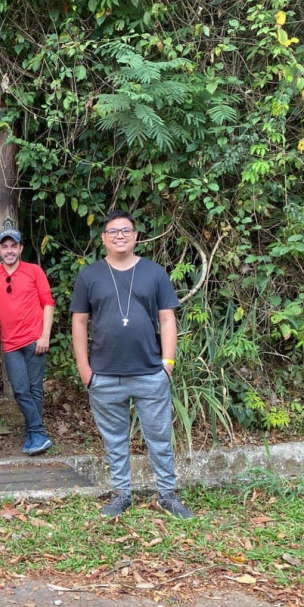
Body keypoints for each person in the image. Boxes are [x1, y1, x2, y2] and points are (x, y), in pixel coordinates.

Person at [70, 210, 194, 519]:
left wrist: (168, 363)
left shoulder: (154, 273)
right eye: (113, 231)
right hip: (104, 375)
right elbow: (79, 322)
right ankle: (121, 494)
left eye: (126, 230)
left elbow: (167, 318)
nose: (120, 236)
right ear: (104, 239)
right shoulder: (90, 275)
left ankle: (167, 494)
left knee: (159, 439)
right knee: (114, 440)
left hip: (150, 372)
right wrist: (85, 369)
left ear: (136, 236)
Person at [0, 228, 56, 455]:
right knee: (20, 390)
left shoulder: (33, 271)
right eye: (4, 246)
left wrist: (45, 335)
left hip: (35, 338)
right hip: (10, 343)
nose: (9, 250)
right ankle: (38, 432)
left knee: (35, 389)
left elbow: (47, 303)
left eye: (13, 246)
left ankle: (33, 435)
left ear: (20, 248)